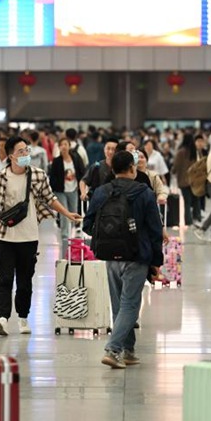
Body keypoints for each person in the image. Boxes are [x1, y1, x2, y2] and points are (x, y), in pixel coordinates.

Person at [0, 136, 82, 336]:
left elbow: (50, 198)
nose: (26, 154)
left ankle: (23, 318)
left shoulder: (37, 175)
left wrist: (67, 213)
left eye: (27, 150)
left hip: (29, 238)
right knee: (5, 279)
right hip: (5, 238)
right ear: (11, 156)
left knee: (25, 281)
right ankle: (3, 318)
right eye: (21, 152)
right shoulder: (0, 180)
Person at [83, 151, 163, 370]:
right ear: (131, 168)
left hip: (110, 255)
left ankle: (128, 351)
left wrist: (109, 236)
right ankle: (113, 349)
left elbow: (87, 225)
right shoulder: (144, 193)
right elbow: (155, 230)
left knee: (119, 304)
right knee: (130, 304)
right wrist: (156, 261)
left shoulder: (101, 192)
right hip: (137, 256)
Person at [50, 137, 87, 250]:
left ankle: (73, 234)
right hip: (61, 191)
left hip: (73, 189)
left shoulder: (75, 158)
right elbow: (52, 177)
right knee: (64, 213)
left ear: (69, 146)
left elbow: (82, 172)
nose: (64, 147)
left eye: (66, 144)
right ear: (59, 147)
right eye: (61, 145)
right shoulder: (56, 161)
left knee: (73, 212)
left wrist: (82, 187)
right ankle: (65, 237)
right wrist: (55, 188)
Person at [171, 134, 200, 226]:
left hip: (183, 181)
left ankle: (188, 220)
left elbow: (176, 166)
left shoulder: (181, 152)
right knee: (196, 200)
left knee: (186, 202)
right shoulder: (195, 151)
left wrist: (173, 171)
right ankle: (197, 217)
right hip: (194, 180)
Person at [81, 138, 118, 203]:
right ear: (104, 149)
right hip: (98, 201)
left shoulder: (121, 167)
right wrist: (83, 193)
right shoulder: (96, 166)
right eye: (108, 148)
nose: (110, 152)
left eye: (113, 149)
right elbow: (83, 181)